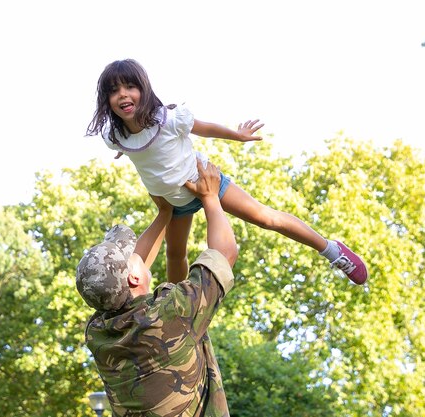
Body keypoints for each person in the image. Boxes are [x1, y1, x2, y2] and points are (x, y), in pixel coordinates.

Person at [86, 58, 368, 285]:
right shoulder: (115, 136)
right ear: (106, 99)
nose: (123, 94)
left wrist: (237, 135)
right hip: (174, 202)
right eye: (114, 90)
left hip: (206, 182)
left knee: (266, 217)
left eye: (129, 87)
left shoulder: (168, 120)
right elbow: (140, 148)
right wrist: (129, 148)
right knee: (175, 254)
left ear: (144, 91)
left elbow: (205, 128)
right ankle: (179, 308)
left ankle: (332, 250)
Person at [76, 160, 237, 416]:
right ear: (134, 278)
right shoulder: (171, 314)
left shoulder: (98, 333)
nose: (137, 253)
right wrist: (210, 197)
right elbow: (225, 253)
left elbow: (130, 279)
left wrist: (164, 213)